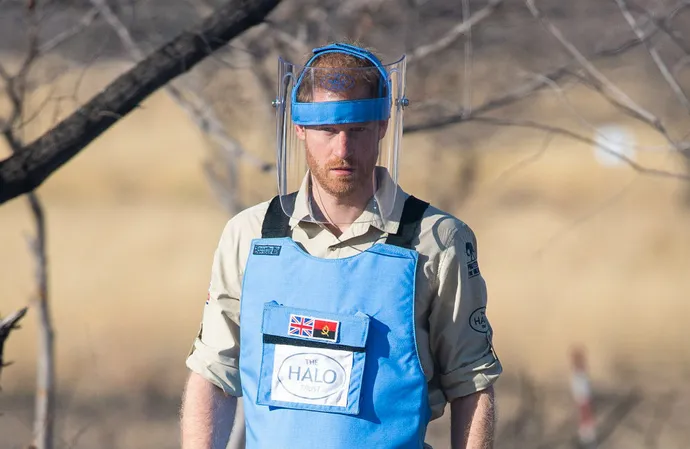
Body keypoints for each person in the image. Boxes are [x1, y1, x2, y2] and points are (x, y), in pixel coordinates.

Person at [180, 41, 502, 449]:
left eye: (358, 130)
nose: (343, 149)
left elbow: (471, 383)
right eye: (328, 130)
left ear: (383, 126)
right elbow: (213, 372)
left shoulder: (437, 239)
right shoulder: (250, 234)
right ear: (299, 128)